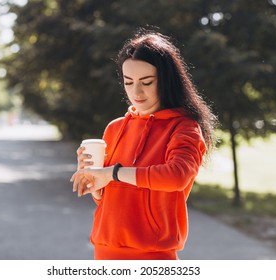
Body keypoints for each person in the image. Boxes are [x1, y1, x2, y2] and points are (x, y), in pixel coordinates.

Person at [70, 29, 217, 260]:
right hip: (104, 252)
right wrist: (95, 183)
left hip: (153, 256)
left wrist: (112, 173)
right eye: (128, 82)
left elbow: (177, 176)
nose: (136, 92)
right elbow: (107, 196)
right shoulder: (114, 128)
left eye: (146, 82)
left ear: (166, 81)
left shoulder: (184, 127)